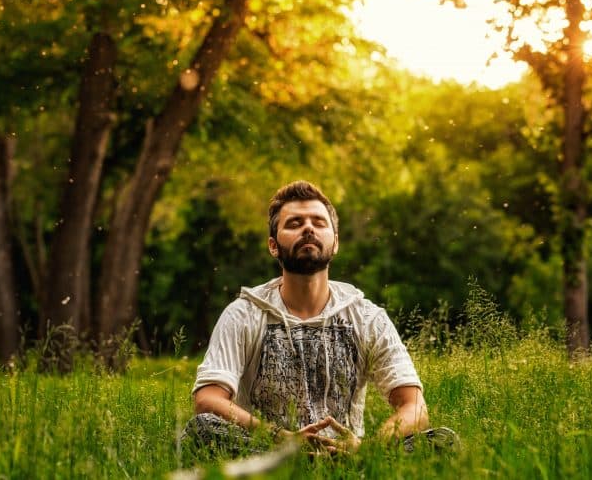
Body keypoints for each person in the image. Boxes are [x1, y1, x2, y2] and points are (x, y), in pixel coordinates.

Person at [182, 180, 457, 457]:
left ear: (335, 243)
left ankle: (342, 466)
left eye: (318, 222)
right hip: (268, 452)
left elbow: (414, 406)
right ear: (273, 246)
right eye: (294, 223)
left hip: (350, 457)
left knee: (444, 441)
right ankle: (298, 465)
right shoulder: (243, 314)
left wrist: (366, 449)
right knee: (201, 430)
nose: (308, 228)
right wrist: (280, 438)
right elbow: (208, 400)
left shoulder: (367, 316)